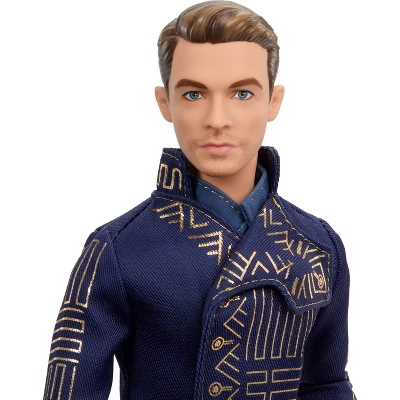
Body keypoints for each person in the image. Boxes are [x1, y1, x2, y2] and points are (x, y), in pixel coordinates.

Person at [43, 1, 356, 399]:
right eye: (193, 94)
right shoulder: (118, 250)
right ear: (165, 103)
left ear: (273, 102)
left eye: (242, 93)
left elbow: (326, 384)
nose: (217, 119)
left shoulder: (318, 246)